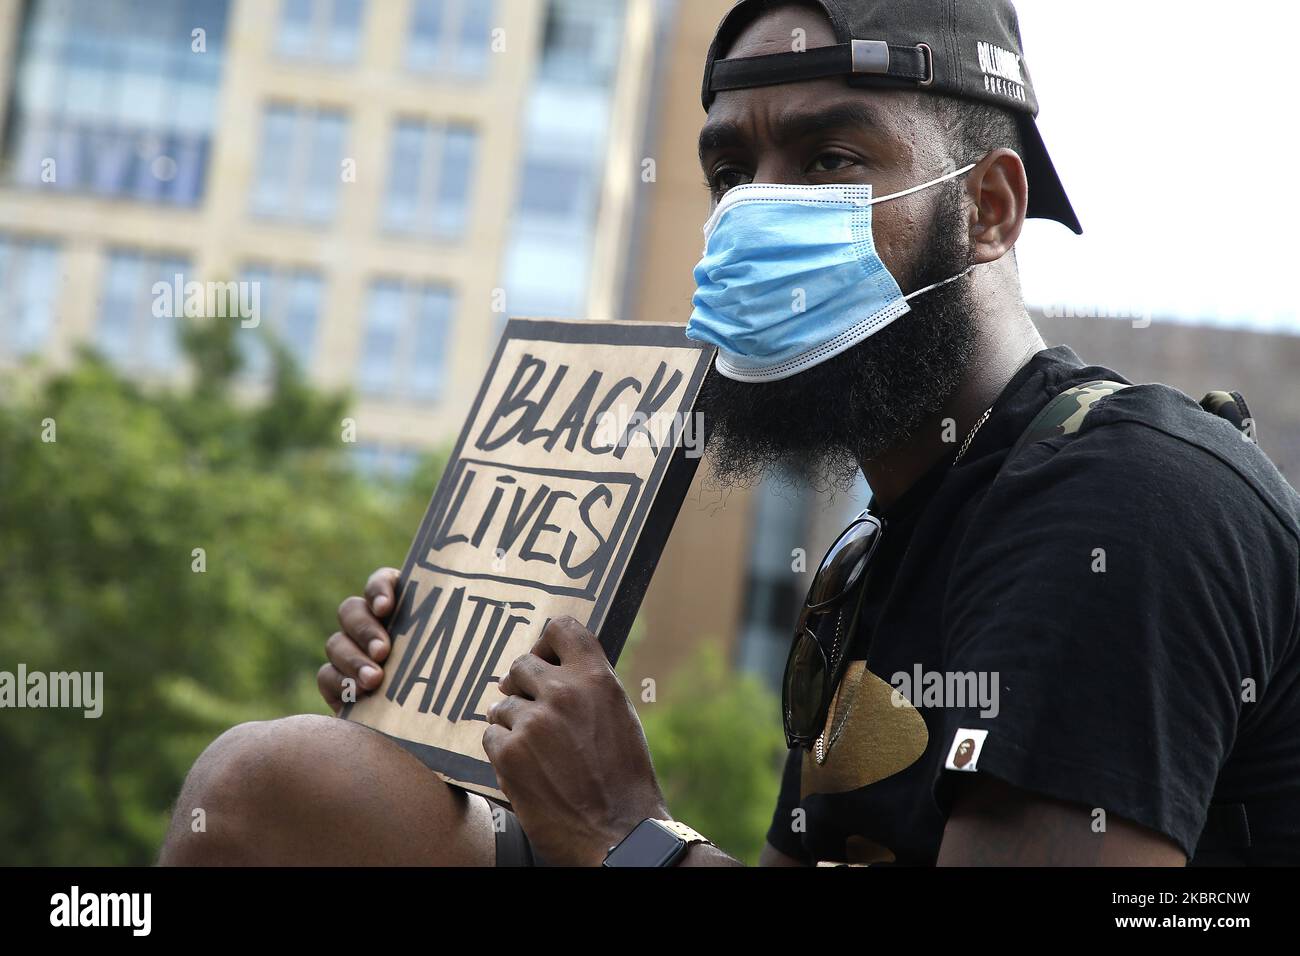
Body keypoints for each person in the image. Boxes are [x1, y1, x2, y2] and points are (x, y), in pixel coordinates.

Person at [159, 0, 1300, 867]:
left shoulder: (1124, 499)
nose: (754, 210)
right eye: (729, 171)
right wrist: (460, 718)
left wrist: (625, 833)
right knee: (284, 788)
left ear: (989, 208)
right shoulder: (871, 556)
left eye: (830, 159)